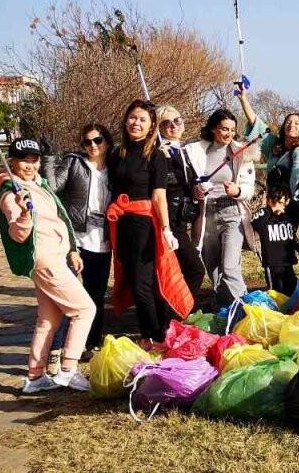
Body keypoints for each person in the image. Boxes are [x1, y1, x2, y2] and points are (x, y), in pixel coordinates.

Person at [0, 138, 95, 393]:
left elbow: (59, 219)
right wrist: (24, 213)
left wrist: (71, 249)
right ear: (12, 162)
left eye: (34, 160)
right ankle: (68, 369)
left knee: (48, 320)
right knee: (85, 310)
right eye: (23, 161)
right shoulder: (11, 193)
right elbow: (18, 234)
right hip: (45, 259)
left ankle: (34, 376)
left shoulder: (38, 185)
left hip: (57, 255)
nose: (29, 165)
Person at [106, 100, 193, 349]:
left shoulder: (155, 156)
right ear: (125, 120)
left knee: (144, 282)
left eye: (143, 119)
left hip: (144, 224)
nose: (136, 123)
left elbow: (159, 195)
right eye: (133, 117)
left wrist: (166, 228)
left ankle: (154, 336)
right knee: (132, 279)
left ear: (151, 125)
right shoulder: (117, 153)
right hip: (120, 222)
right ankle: (150, 333)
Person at [48, 123, 114, 361]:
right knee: (68, 294)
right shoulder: (74, 162)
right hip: (76, 238)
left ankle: (91, 342)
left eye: (98, 140)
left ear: (107, 142)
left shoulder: (114, 167)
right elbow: (53, 188)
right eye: (87, 142)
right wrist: (48, 159)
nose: (93, 146)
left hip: (103, 240)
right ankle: (60, 346)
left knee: (96, 294)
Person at [184, 108, 260, 307]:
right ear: (213, 129)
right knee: (214, 268)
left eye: (232, 130)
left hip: (232, 213)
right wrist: (195, 191)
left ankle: (245, 311)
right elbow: (189, 184)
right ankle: (225, 309)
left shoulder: (241, 152)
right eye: (224, 129)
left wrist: (237, 191)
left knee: (230, 267)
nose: (229, 134)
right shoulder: (197, 152)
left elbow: (249, 188)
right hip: (206, 214)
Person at [155, 105, 204, 295]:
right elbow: (163, 185)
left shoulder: (184, 151)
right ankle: (179, 311)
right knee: (195, 270)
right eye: (166, 123)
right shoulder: (160, 152)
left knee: (183, 270)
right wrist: (163, 159)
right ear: (159, 128)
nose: (173, 126)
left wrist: (196, 189)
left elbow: (189, 181)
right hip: (170, 220)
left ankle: (177, 313)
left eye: (177, 120)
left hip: (184, 218)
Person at [239, 87, 299, 193]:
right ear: (284, 126)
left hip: (290, 200)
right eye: (288, 122)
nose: (292, 125)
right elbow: (256, 122)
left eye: (297, 123)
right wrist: (243, 99)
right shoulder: (274, 144)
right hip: (272, 198)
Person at [251, 183, 299, 295]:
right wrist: (270, 209)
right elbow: (253, 219)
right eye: (274, 202)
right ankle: (277, 311)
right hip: (272, 263)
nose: (278, 206)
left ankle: (289, 311)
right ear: (269, 201)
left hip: (288, 262)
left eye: (281, 203)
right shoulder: (265, 217)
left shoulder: (288, 218)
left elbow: (291, 236)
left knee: (291, 289)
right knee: (276, 292)